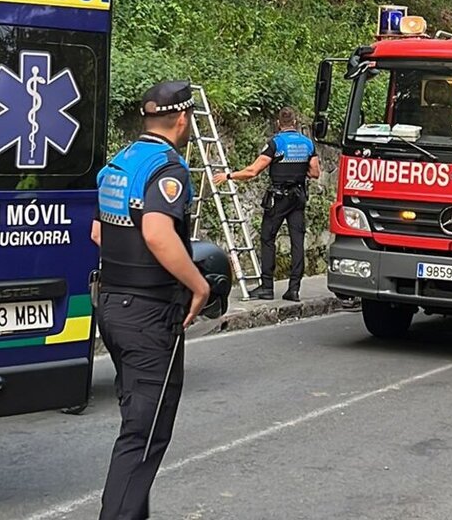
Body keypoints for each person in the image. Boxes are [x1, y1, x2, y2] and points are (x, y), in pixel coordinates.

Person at [93, 80, 210, 520]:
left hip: (113, 306)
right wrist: (198, 284)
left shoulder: (118, 164)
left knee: (137, 424)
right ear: (183, 120)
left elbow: (99, 231)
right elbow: (157, 233)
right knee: (143, 438)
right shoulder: (168, 169)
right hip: (148, 315)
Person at [215, 106, 319, 302]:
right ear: (295, 123)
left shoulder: (276, 143)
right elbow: (315, 173)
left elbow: (253, 171)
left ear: (279, 124)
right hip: (298, 197)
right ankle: (294, 289)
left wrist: (228, 175)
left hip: (279, 198)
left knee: (267, 238)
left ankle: (267, 287)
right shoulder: (307, 143)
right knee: (298, 242)